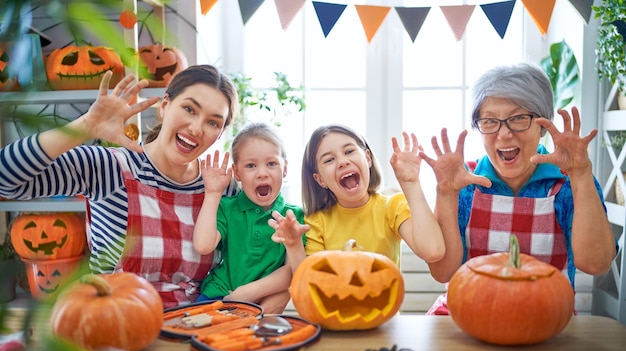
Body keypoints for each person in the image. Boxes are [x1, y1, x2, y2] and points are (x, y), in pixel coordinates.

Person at [0, 64, 240, 309]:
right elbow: (6, 180)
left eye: (213, 123)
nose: (197, 128)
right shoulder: (110, 167)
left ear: (219, 134)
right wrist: (85, 127)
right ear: (165, 106)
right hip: (113, 325)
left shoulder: (222, 189)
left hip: (196, 328)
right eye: (189, 109)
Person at [420, 63, 617, 315]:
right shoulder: (464, 185)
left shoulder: (569, 184)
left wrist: (581, 174)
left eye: (518, 118)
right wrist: (445, 195)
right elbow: (443, 272)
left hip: (546, 318)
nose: (503, 134)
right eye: (490, 121)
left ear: (543, 126)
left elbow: (596, 263)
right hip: (467, 316)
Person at [269, 124, 445, 275]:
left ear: (367, 158)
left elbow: (433, 251)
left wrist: (411, 183)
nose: (343, 162)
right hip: (332, 315)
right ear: (320, 179)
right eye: (329, 159)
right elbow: (310, 284)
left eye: (349, 151)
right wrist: (293, 245)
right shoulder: (316, 222)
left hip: (385, 315)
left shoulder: (392, 207)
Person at [192, 122, 304, 313]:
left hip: (260, 301)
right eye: (251, 165)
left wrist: (243, 295)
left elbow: (292, 272)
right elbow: (203, 245)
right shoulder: (226, 207)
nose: (262, 173)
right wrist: (212, 193)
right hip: (218, 295)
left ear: (284, 169)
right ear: (237, 173)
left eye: (271, 163)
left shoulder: (294, 217)